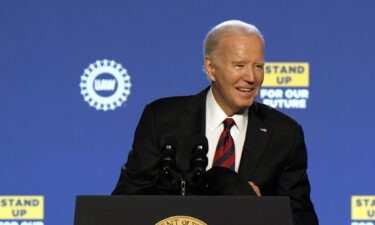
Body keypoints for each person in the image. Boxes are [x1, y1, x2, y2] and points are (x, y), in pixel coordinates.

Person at [112, 20, 318, 225]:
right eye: (239, 65)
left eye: (258, 66)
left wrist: (263, 210)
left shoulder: (284, 133)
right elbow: (126, 203)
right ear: (211, 68)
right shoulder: (162, 119)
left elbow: (303, 219)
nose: (251, 77)